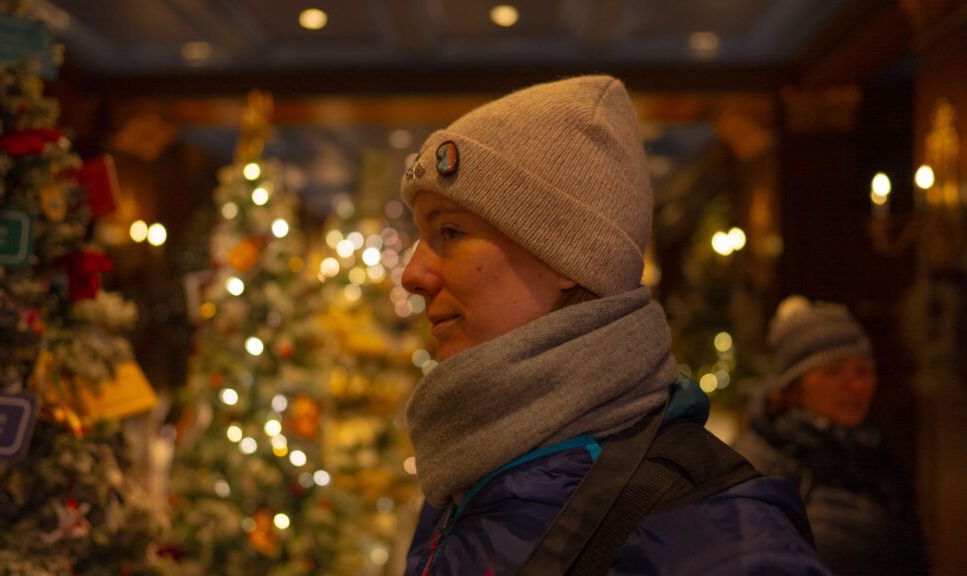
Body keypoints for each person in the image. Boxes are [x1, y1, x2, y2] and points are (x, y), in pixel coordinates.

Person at [398, 75, 829, 575]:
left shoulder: (718, 537)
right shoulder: (465, 470)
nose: (413, 275)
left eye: (450, 231)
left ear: (566, 258)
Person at [732, 296, 930, 576]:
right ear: (794, 387)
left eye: (863, 370)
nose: (855, 386)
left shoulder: (876, 450)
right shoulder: (756, 464)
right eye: (833, 372)